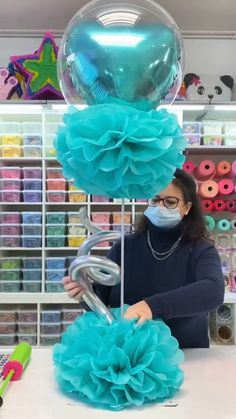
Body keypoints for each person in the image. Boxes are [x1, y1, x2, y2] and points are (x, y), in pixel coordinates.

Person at [63, 168, 224, 348]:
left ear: (186, 208)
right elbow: (102, 299)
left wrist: (152, 306)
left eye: (170, 202)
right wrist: (84, 293)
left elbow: (214, 291)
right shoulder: (125, 246)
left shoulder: (201, 249)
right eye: (155, 200)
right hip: (129, 355)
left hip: (184, 355)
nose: (160, 207)